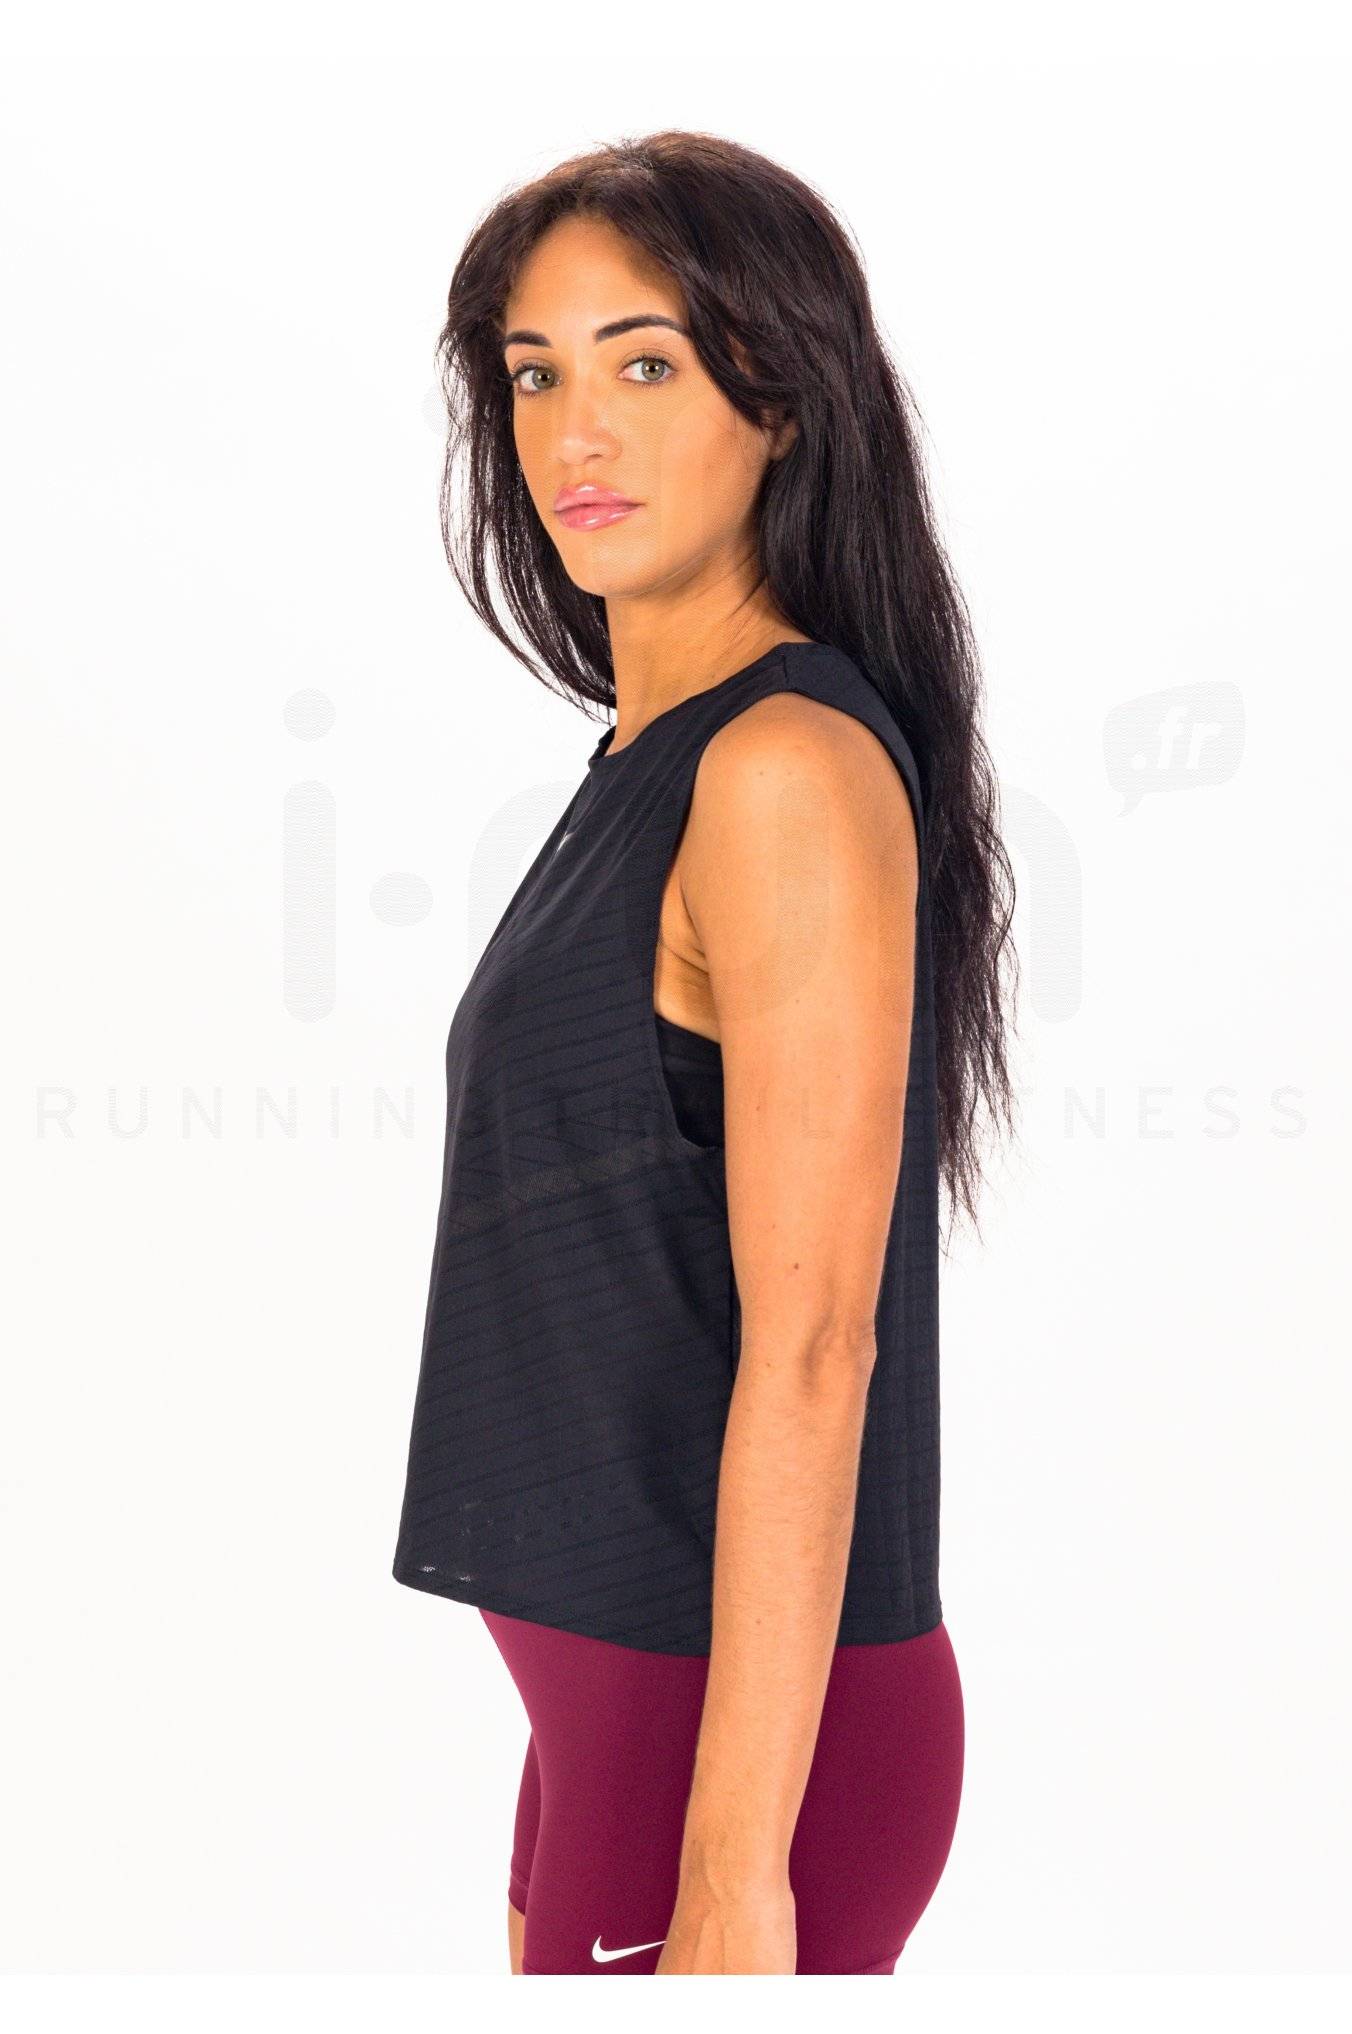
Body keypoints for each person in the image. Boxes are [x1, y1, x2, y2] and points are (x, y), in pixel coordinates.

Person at [392, 130, 1017, 1977]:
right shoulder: (646, 761)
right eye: (536, 374)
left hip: (739, 1758)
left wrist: (735, 1868)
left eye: (647, 363)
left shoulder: (782, 771)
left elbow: (818, 1345)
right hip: (617, 1712)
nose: (575, 430)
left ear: (782, 400)